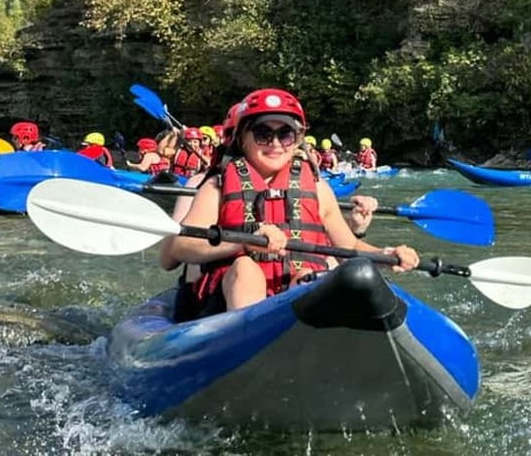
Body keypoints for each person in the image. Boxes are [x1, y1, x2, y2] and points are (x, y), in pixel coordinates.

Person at [159, 88, 418, 318]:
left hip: (293, 293)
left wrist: (385, 255)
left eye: (285, 134)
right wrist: (242, 242)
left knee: (310, 276)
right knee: (246, 268)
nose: (275, 144)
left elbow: (349, 246)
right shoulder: (216, 186)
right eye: (263, 134)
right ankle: (251, 338)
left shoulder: (318, 189)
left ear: (297, 140)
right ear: (242, 138)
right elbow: (181, 247)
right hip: (232, 301)